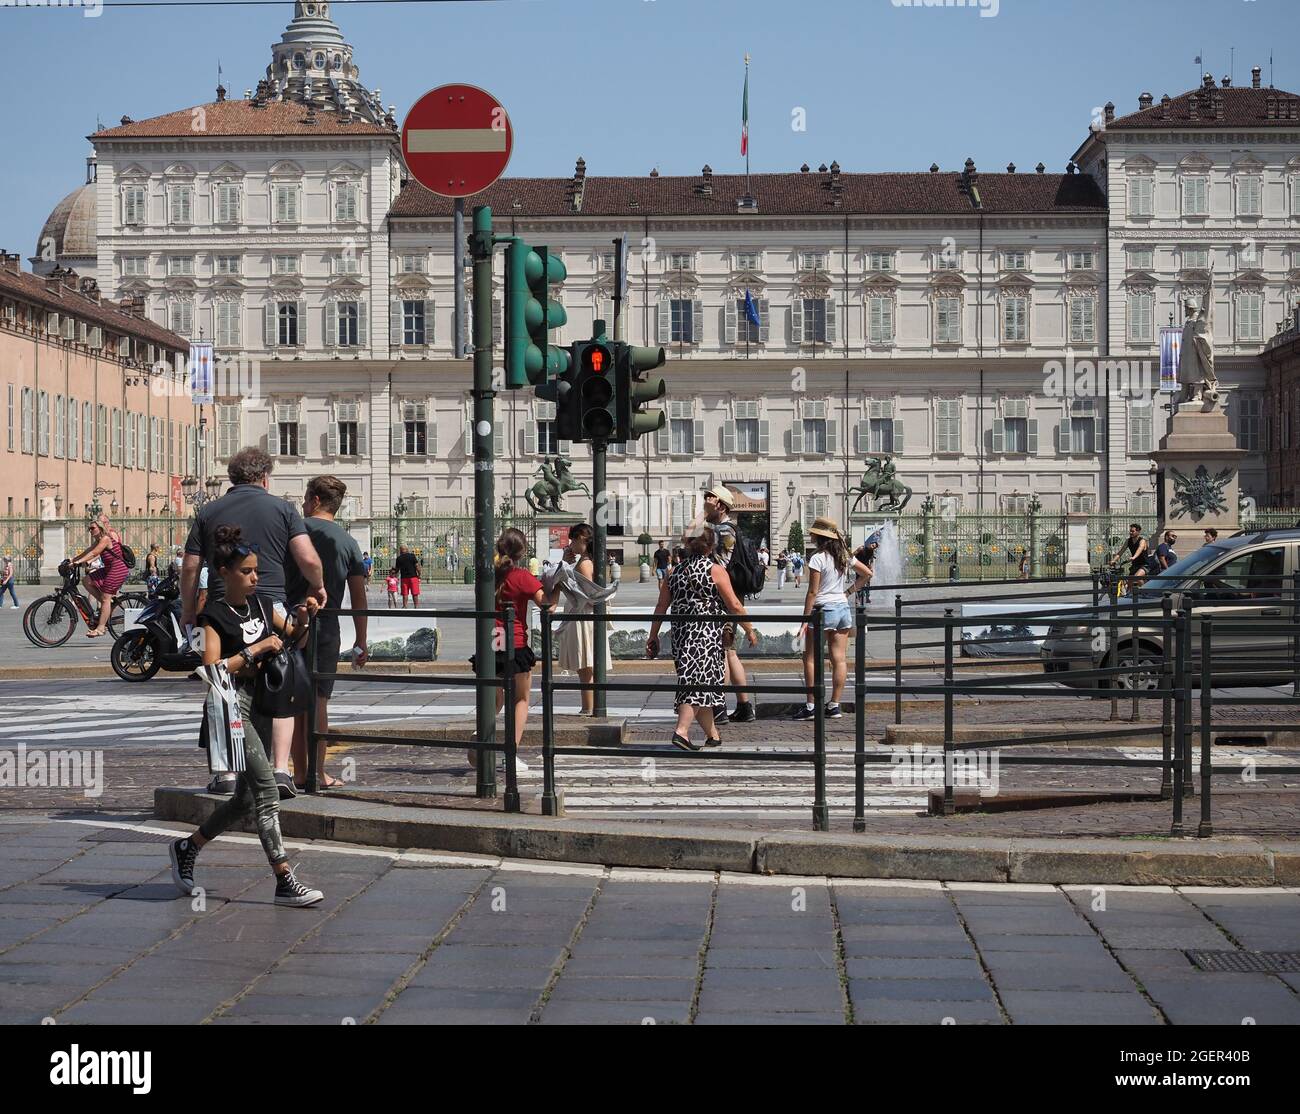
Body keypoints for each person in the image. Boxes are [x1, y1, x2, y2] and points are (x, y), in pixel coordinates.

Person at [167, 524, 324, 909]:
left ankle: (189, 846)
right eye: (246, 572)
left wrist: (304, 616)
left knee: (244, 801)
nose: (255, 577)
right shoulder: (212, 617)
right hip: (233, 708)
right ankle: (284, 879)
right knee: (268, 791)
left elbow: (294, 638)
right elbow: (210, 670)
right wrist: (255, 650)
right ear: (224, 573)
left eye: (256, 571)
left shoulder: (261, 603)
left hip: (264, 702)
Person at [182, 446, 326, 797]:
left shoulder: (208, 511)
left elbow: (189, 566)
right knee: (281, 685)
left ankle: (226, 773)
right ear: (265, 478)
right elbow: (307, 558)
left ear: (233, 478)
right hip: (269, 604)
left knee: (220, 686)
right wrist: (317, 586)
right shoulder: (283, 509)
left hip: (220, 607)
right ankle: (280, 770)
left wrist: (189, 610)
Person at [287, 476, 370, 792]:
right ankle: (317, 773)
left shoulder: (296, 532)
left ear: (316, 500)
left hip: (290, 623)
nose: (304, 503)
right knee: (319, 701)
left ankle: (295, 771)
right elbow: (359, 596)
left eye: (306, 498)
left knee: (293, 702)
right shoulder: (348, 542)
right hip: (327, 626)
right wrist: (361, 640)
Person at [647, 524, 757, 752]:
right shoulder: (714, 570)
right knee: (698, 683)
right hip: (705, 634)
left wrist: (653, 635)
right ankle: (682, 731)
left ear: (688, 545)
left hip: (680, 634)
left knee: (698, 681)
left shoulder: (674, 572)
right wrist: (749, 629)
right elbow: (735, 605)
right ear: (711, 546)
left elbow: (661, 606)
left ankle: (712, 735)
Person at [469, 528, 545, 776]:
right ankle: (510, 755)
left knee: (496, 696)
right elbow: (547, 603)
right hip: (515, 642)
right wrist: (557, 585)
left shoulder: (490, 574)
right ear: (523, 552)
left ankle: (481, 733)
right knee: (521, 700)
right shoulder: (521, 576)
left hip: (492, 641)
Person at [795, 518, 871, 721]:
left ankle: (811, 705)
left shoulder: (817, 558)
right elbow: (867, 574)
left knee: (810, 658)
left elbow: (812, 592)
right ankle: (834, 705)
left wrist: (804, 620)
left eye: (813, 534)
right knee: (839, 659)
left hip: (822, 609)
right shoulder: (844, 555)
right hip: (842, 608)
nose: (810, 536)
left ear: (820, 537)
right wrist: (847, 592)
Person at [542, 523, 616, 716]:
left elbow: (587, 593)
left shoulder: (584, 563)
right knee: (587, 665)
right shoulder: (589, 561)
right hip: (586, 615)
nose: (570, 544)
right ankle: (589, 707)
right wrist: (566, 562)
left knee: (585, 666)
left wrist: (565, 567)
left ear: (581, 539)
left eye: (572, 540)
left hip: (583, 616)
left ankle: (588, 707)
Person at [701, 485, 756, 724]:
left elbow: (719, 568)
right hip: (729, 596)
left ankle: (719, 707)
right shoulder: (723, 528)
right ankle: (744, 706)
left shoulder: (723, 531)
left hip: (722, 598)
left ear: (721, 506)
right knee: (729, 651)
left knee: (720, 653)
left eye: (709, 500)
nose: (705, 502)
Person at [69, 514, 128, 638]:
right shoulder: (98, 540)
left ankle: (101, 628)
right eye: (89, 529)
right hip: (108, 568)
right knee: (86, 580)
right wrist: (72, 560)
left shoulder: (106, 538)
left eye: (92, 528)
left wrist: (79, 562)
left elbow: (94, 552)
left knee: (106, 598)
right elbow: (87, 551)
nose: (90, 531)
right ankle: (106, 602)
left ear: (100, 528)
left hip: (118, 569)